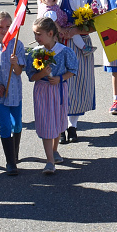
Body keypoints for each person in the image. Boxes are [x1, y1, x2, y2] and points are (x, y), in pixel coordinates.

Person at [57, 0, 101, 143]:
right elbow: (48, 15)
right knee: (62, 85)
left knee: (79, 84)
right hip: (61, 44)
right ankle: (60, 127)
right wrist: (61, 30)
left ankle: (72, 126)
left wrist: (77, 30)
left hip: (82, 44)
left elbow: (97, 24)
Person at [28, 17, 78, 174]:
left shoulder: (65, 52)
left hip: (58, 90)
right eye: (35, 34)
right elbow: (31, 77)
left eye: (38, 34)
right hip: (42, 91)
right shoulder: (35, 53)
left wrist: (60, 78)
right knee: (46, 124)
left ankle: (54, 151)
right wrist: (42, 73)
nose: (36, 38)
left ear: (50, 33)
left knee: (57, 123)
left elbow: (73, 70)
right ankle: (49, 161)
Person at [0, 11, 26, 175]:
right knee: (5, 126)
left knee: (17, 124)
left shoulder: (18, 45)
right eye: (0, 27)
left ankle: (14, 153)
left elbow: (18, 71)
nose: (4, 30)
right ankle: (10, 162)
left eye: (8, 27)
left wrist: (15, 63)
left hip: (14, 91)